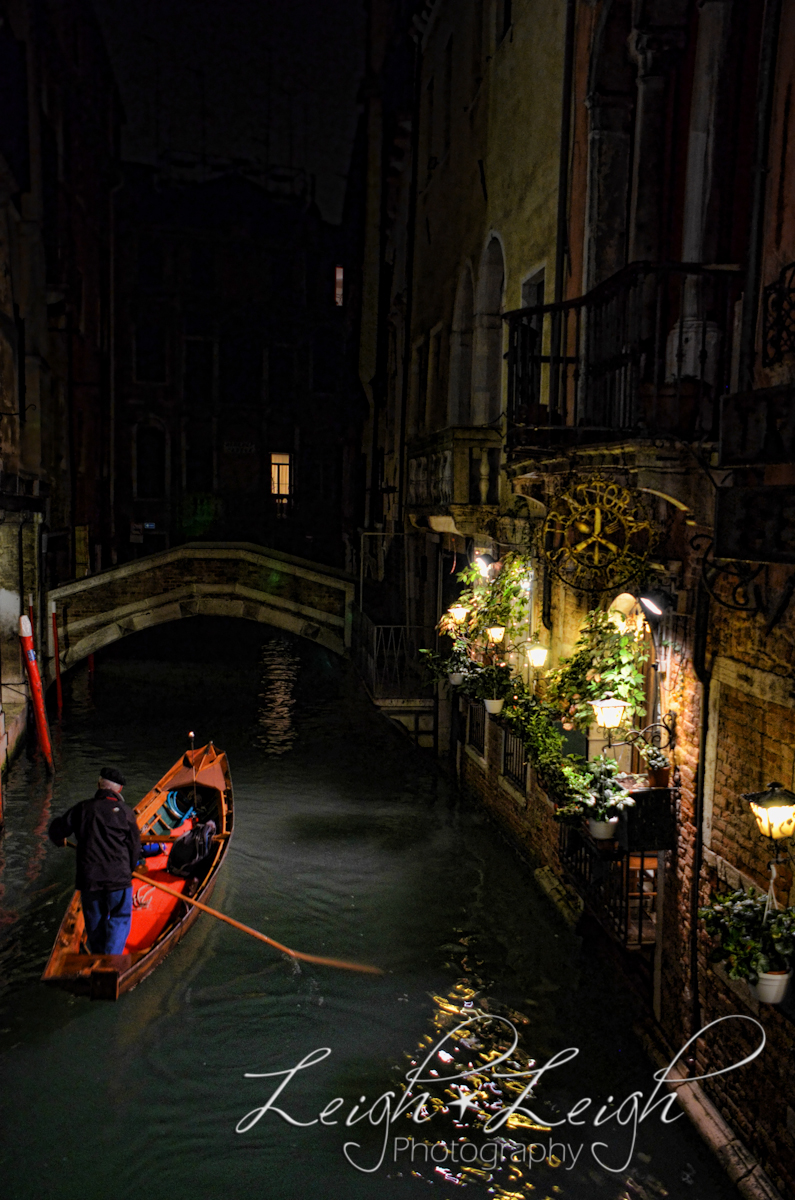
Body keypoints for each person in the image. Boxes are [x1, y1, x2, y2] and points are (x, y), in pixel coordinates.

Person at [48, 767, 140, 955]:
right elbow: (134, 848)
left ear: (99, 785)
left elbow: (56, 830)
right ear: (119, 790)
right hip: (118, 879)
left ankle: (97, 957)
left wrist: (59, 840)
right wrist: (128, 872)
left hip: (90, 879)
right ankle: (110, 961)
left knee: (94, 921)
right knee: (119, 917)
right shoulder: (125, 812)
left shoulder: (82, 809)